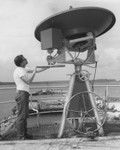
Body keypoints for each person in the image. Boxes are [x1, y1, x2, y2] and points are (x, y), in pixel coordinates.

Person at [13, 54, 47, 140]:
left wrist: (49, 65)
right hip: (22, 94)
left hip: (24, 94)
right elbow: (28, 81)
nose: (26, 59)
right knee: (21, 116)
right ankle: (21, 137)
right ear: (21, 62)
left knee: (24, 115)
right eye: (24, 59)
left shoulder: (24, 69)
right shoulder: (19, 70)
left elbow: (38, 70)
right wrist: (34, 72)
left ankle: (24, 134)